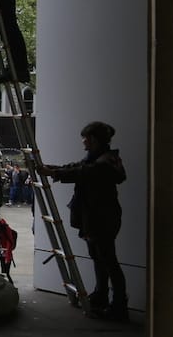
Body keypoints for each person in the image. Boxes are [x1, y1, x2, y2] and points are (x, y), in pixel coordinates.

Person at [43, 121, 128, 321]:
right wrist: (54, 169)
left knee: (108, 261)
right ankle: (101, 296)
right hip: (97, 217)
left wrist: (54, 173)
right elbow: (79, 167)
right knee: (100, 258)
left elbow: (83, 172)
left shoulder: (104, 162)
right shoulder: (100, 158)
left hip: (102, 218)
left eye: (86, 138)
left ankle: (118, 305)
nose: (83, 141)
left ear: (95, 140)